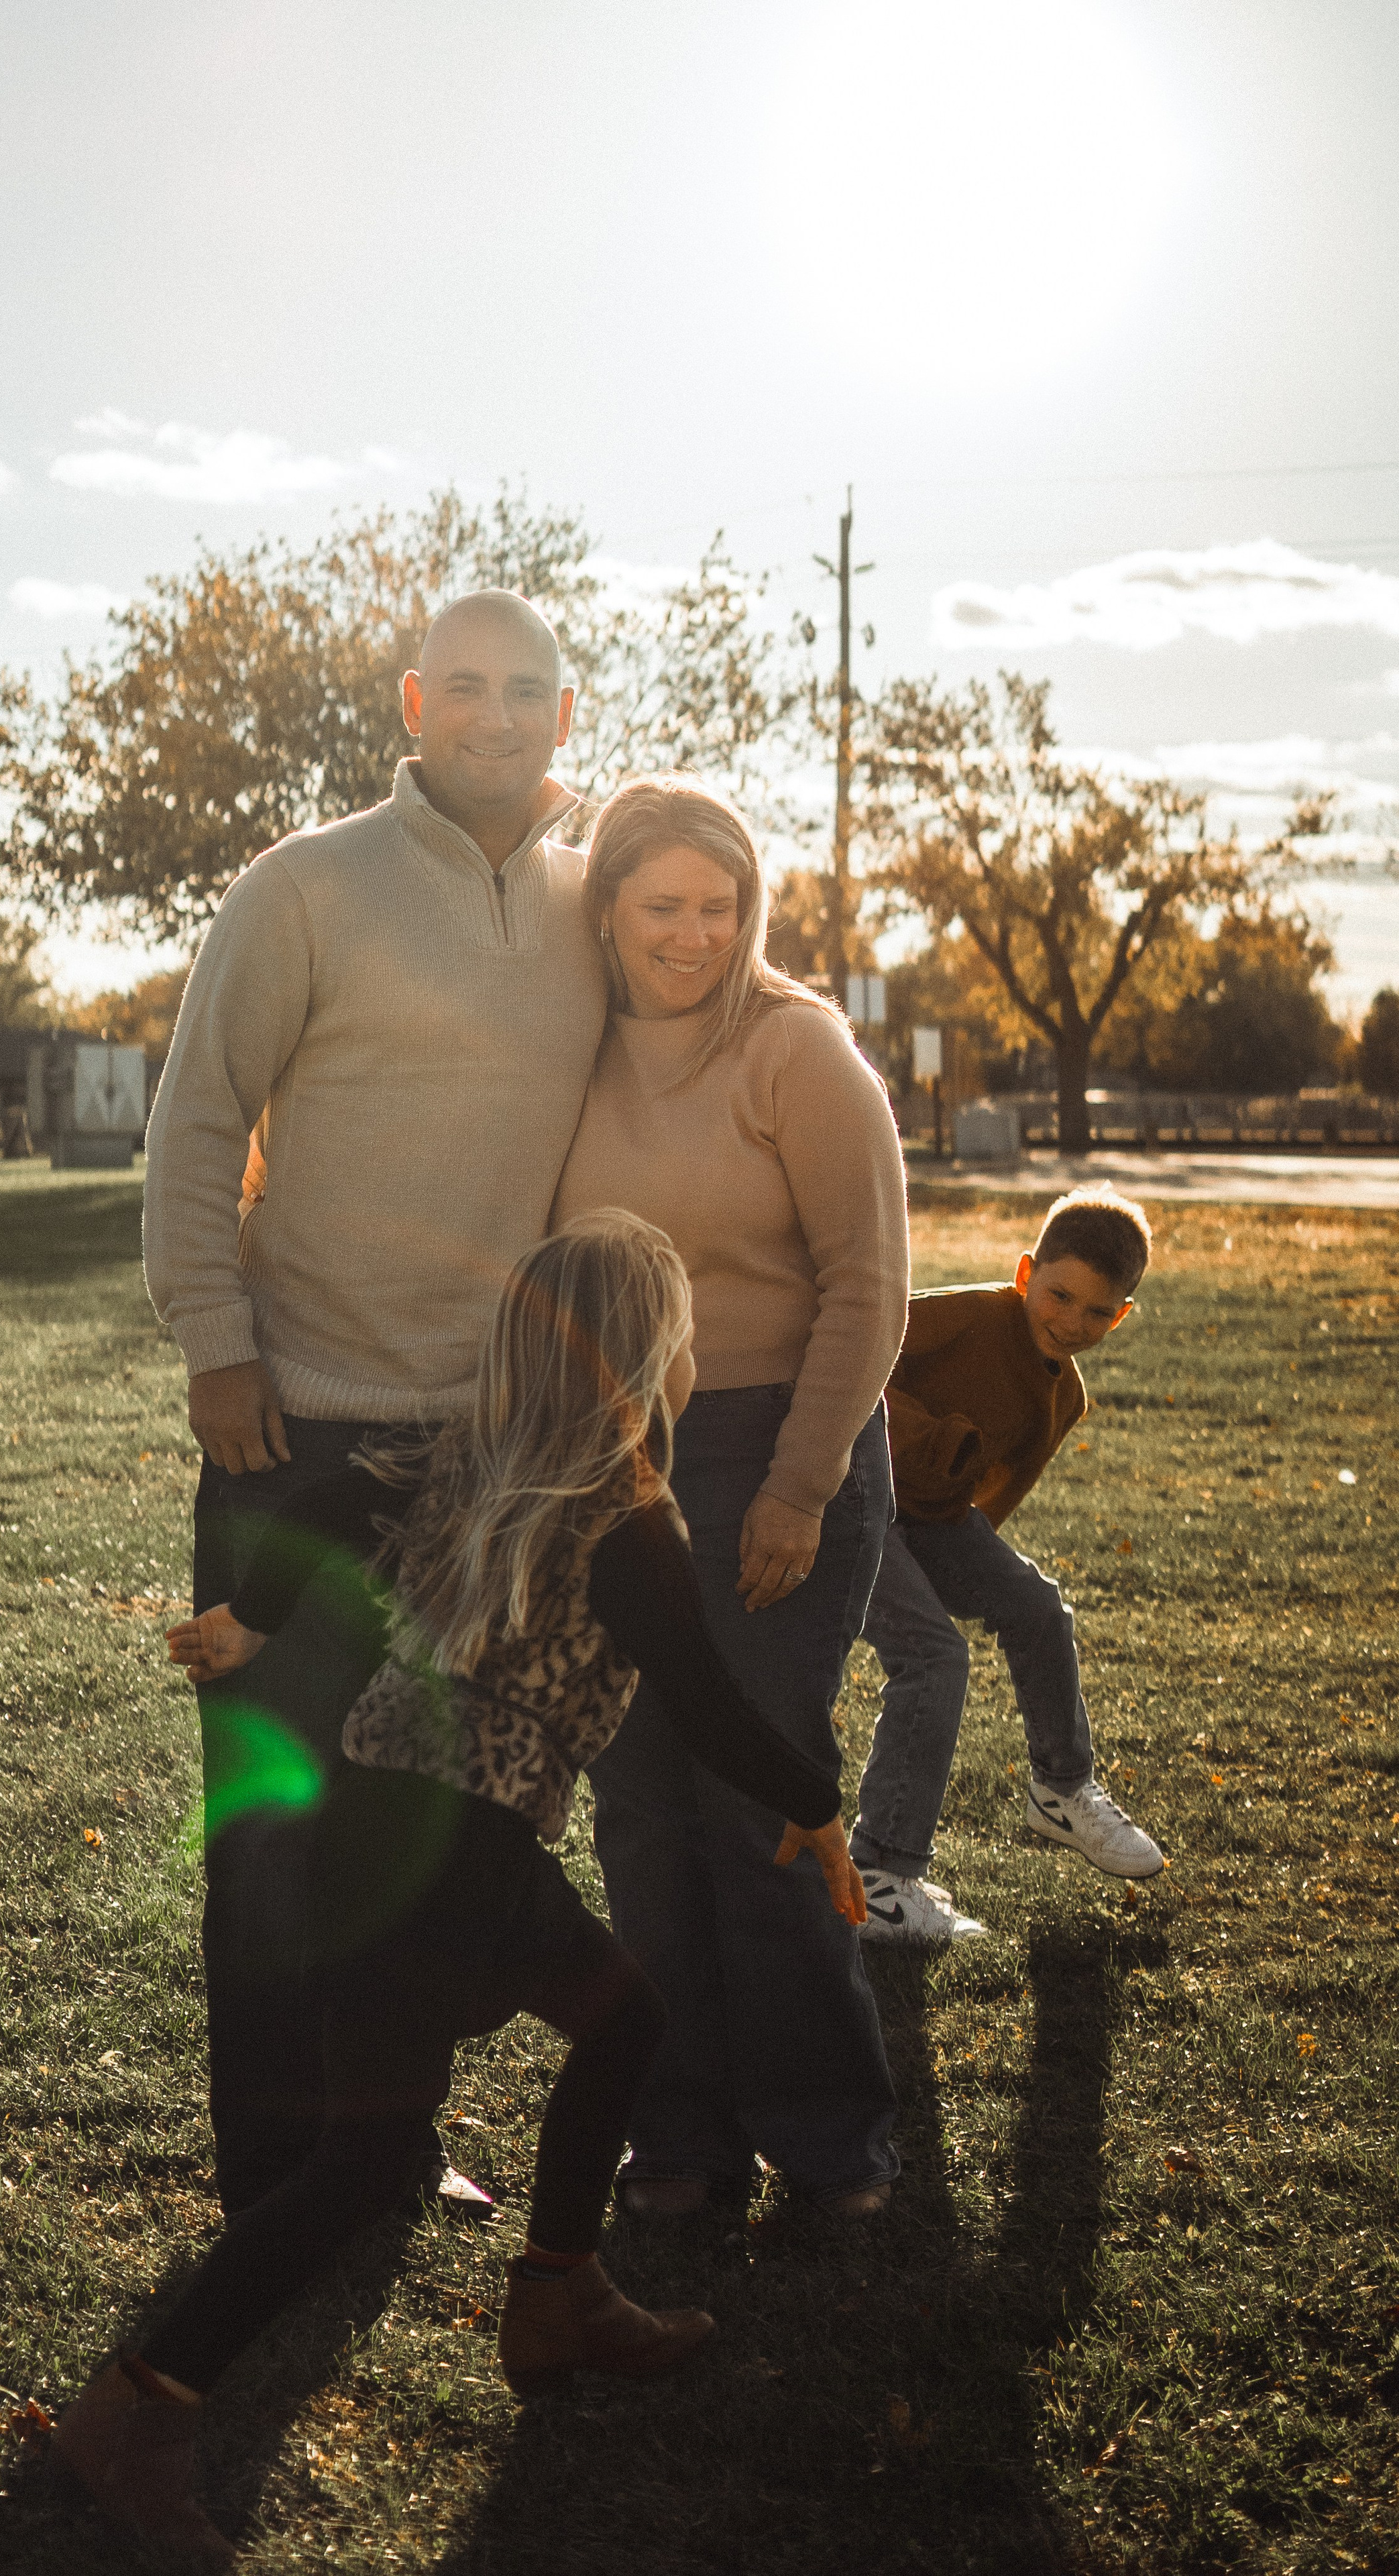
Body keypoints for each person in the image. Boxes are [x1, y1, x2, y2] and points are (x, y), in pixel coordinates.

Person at [54, 1215, 864, 2565]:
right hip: (455, 1854)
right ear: (647, 1356)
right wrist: (820, 1810)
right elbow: (712, 1707)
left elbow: (317, 1504)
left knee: (622, 2024)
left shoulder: (463, 1457)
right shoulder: (626, 1521)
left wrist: (252, 1618)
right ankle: (138, 2408)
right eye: (680, 1332)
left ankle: (558, 2293)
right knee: (370, 2158)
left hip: (390, 1819)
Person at [142, 590, 607, 2227]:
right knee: (275, 1819)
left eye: (526, 687)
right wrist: (215, 1340)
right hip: (295, 1431)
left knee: (408, 1827)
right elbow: (197, 1120)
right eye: (464, 684)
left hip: (485, 1455)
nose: (494, 712)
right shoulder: (303, 885)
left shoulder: (589, 908)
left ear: (566, 707)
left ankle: (383, 2141)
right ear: (413, 701)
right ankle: (276, 2176)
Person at [551, 775, 910, 2217]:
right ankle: (682, 2139)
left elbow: (869, 1288)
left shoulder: (799, 1052)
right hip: (615, 1461)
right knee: (637, 1810)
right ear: (608, 910)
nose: (692, 935)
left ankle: (829, 2142)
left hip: (777, 1450)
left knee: (752, 1802)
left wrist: (798, 1487)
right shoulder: (567, 1052)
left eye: (718, 905)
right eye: (661, 906)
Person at [851, 1185, 1164, 1944]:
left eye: (1097, 1311)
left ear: (1120, 1314)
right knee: (934, 1656)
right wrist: (921, 1438)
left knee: (1036, 1606)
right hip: (845, 1495)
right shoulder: (972, 1312)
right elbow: (851, 1354)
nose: (1072, 1321)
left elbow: (990, 1503)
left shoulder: (1064, 1400)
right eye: (1059, 1295)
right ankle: (882, 1879)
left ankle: (1061, 1788)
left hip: (929, 1522)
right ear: (1026, 1274)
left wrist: (960, 1570)